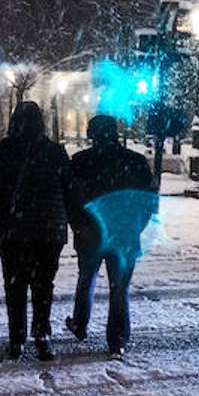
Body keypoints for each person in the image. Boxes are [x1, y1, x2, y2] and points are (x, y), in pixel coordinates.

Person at [0, 101, 71, 361]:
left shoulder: (5, 150)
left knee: (15, 286)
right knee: (43, 285)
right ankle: (42, 335)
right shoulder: (54, 151)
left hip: (12, 229)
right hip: (48, 229)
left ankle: (16, 339)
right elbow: (69, 189)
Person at [65, 115, 158, 356]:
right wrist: (136, 226)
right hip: (124, 234)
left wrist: (78, 225)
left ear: (92, 134)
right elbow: (148, 201)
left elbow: (71, 201)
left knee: (86, 279)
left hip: (90, 233)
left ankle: (80, 323)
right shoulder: (135, 161)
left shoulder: (80, 162)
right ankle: (117, 339)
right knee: (119, 289)